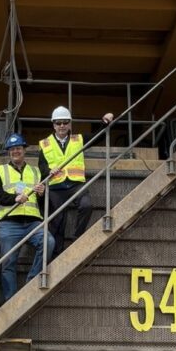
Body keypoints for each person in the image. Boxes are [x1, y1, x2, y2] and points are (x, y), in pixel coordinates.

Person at [38, 106, 114, 258]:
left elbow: (97, 137)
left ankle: (77, 238)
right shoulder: (45, 143)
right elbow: (42, 165)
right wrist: (48, 172)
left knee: (87, 205)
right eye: (58, 123)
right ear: (53, 125)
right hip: (56, 187)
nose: (62, 126)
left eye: (65, 122)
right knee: (57, 222)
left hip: (75, 184)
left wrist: (105, 122)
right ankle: (56, 256)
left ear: (70, 124)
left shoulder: (78, 139)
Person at [0, 133, 54, 301]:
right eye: (12, 149)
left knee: (48, 242)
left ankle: (31, 282)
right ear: (8, 152)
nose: (15, 152)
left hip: (33, 222)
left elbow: (40, 200)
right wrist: (14, 199)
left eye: (18, 148)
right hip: (9, 223)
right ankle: (11, 301)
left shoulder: (35, 171)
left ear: (24, 150)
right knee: (8, 263)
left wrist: (42, 193)